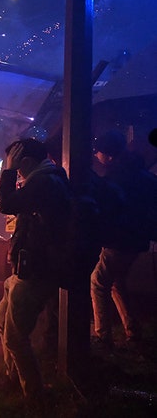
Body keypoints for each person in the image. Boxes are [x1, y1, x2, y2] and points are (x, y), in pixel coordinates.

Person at [0, 138, 71, 400]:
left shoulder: (44, 181)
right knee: (2, 321)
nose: (13, 168)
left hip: (35, 270)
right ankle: (13, 378)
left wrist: (8, 172)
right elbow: (19, 204)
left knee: (16, 337)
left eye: (15, 164)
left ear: (25, 162)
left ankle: (34, 396)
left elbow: (8, 205)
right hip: (28, 267)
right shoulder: (47, 179)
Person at [89, 129, 155, 348]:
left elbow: (107, 207)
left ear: (108, 155)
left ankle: (102, 336)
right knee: (116, 282)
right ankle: (132, 329)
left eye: (98, 152)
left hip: (119, 239)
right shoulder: (142, 173)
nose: (96, 156)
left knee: (98, 282)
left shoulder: (116, 177)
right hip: (138, 239)